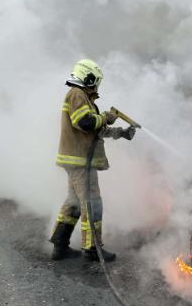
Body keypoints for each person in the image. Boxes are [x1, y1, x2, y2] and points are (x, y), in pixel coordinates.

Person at [49, 59, 135, 262]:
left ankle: (60, 245)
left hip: (78, 161)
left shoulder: (82, 97)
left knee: (74, 203)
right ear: (87, 77)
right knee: (92, 203)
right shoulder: (77, 94)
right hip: (80, 162)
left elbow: (96, 130)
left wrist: (121, 133)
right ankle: (93, 248)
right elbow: (85, 123)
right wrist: (106, 116)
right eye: (95, 81)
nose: (96, 86)